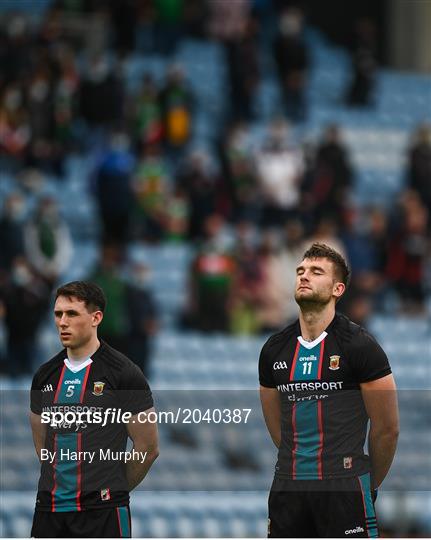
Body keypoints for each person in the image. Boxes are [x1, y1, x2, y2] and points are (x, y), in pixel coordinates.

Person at [259, 243, 399, 538]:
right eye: (300, 271)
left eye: (316, 271)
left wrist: (368, 484)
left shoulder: (361, 346)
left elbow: (387, 429)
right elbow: (278, 430)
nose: (304, 276)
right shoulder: (273, 349)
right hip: (288, 487)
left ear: (338, 289)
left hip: (345, 486)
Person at [29, 281, 159, 538]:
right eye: (58, 314)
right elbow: (43, 447)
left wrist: (113, 488)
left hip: (103, 513)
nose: (62, 322)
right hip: (50, 511)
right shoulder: (44, 376)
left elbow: (147, 448)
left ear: (96, 317)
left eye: (72, 314)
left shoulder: (124, 374)